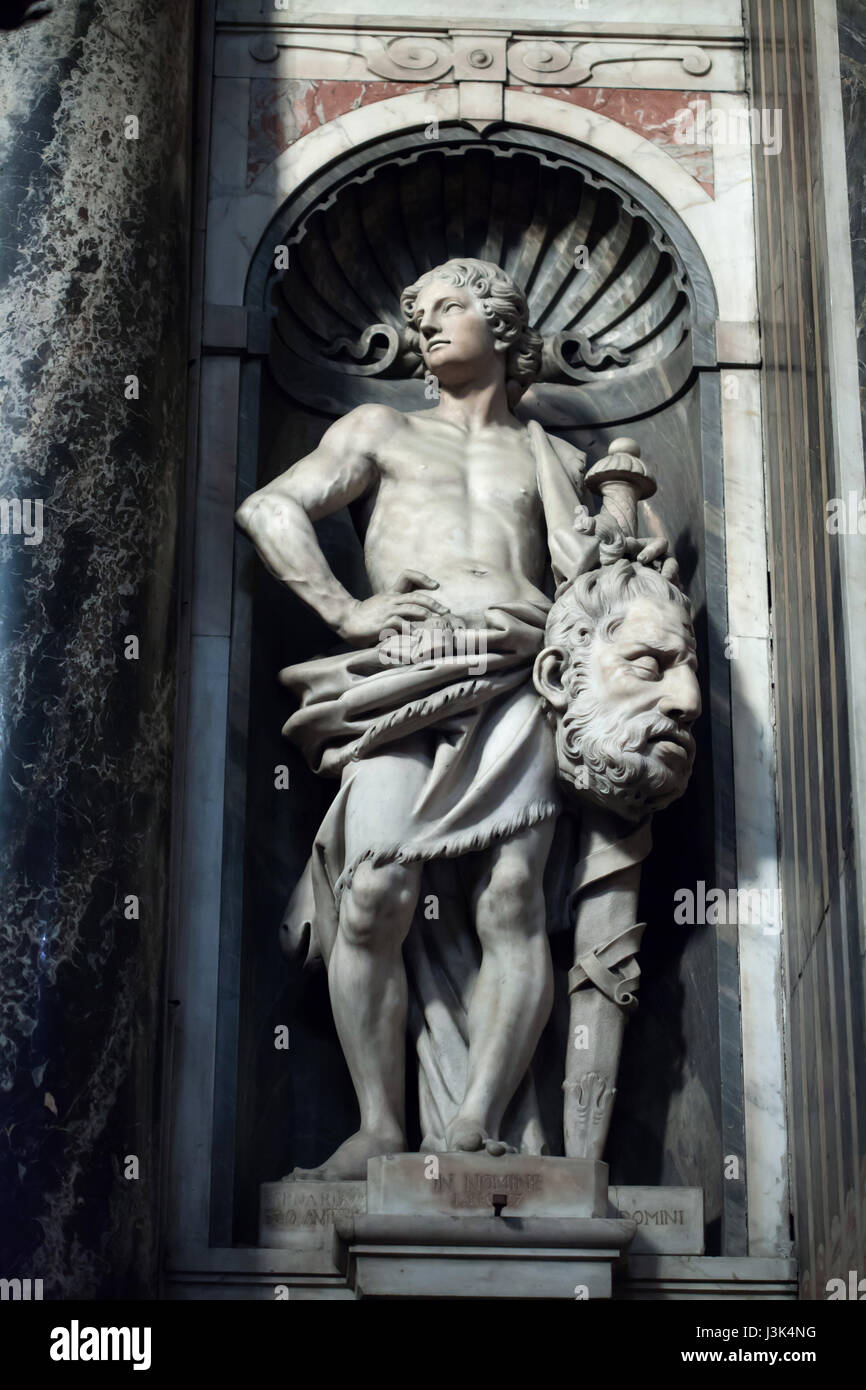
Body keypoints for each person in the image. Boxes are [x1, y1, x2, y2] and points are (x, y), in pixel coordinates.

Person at [236, 259, 591, 1179]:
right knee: (375, 897)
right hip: (402, 674)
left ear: (503, 326)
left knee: (514, 898)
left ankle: (477, 1122)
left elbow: (602, 582)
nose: (429, 326)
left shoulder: (551, 457)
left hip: (521, 670)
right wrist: (345, 611)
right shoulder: (382, 428)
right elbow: (270, 507)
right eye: (419, 314)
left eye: (450, 308)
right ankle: (381, 1125)